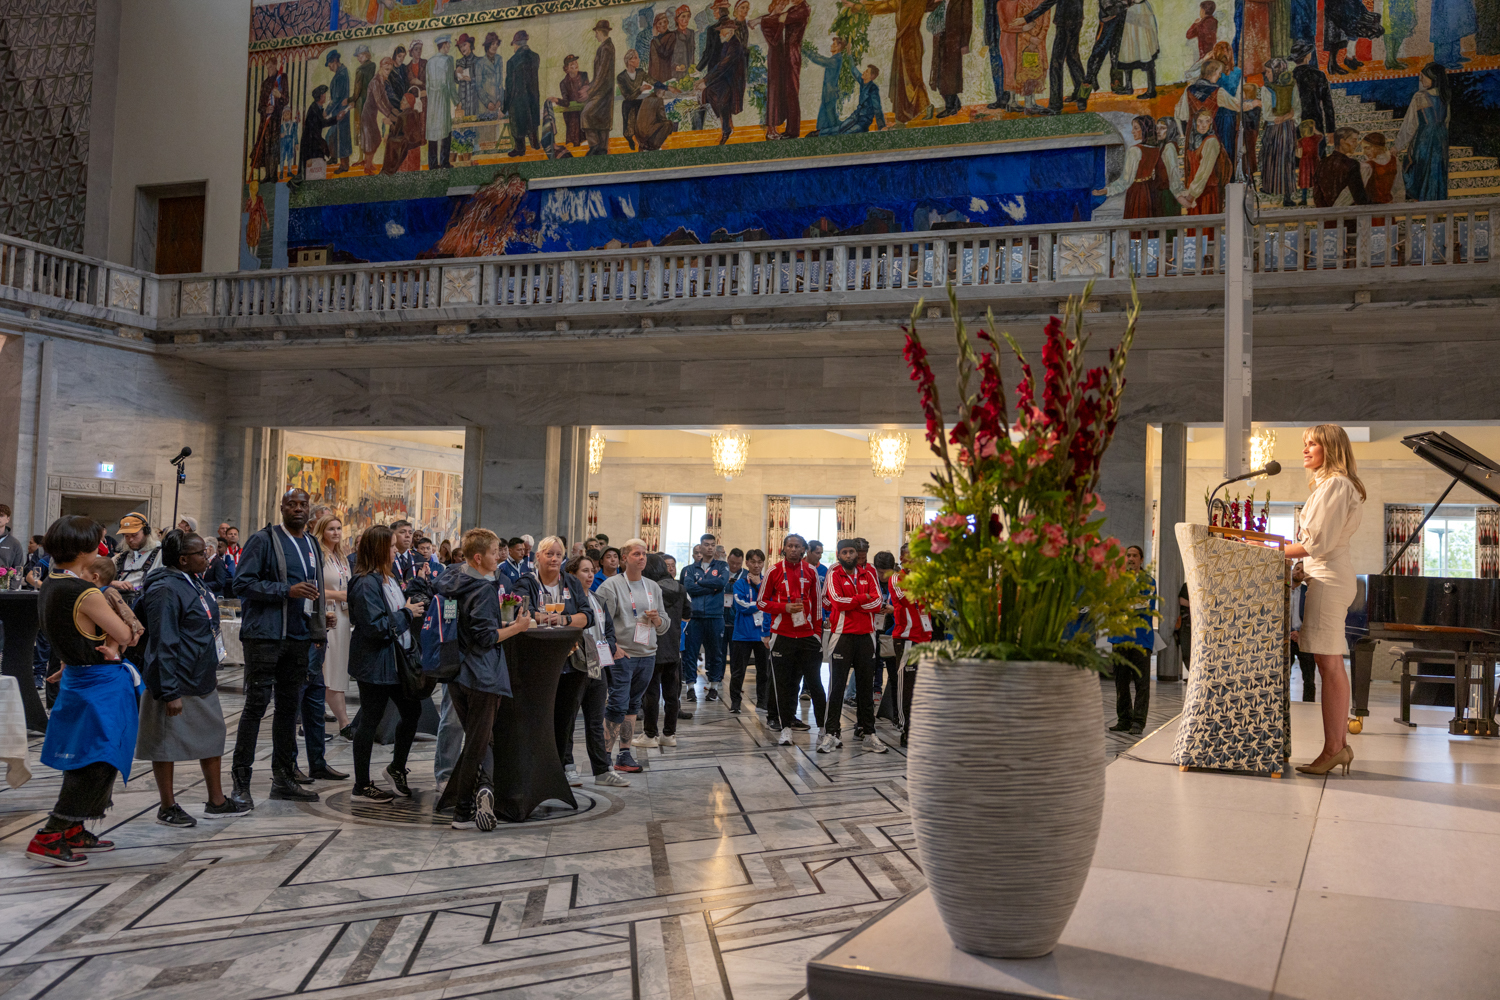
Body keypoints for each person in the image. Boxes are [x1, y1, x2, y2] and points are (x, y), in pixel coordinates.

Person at [24, 517, 139, 867]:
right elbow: (124, 634)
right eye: (98, 543)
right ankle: (50, 833)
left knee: (90, 756)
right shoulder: (85, 592)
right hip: (98, 685)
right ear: (85, 549)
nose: (102, 548)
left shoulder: (50, 583)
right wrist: (124, 623)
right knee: (97, 761)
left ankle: (74, 828)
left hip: (75, 676)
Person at [135, 530, 247, 828]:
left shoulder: (192, 580)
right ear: (183, 560)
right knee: (165, 741)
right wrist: (170, 691)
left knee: (213, 736)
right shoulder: (165, 589)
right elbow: (163, 641)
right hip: (174, 679)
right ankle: (167, 806)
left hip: (200, 675)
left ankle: (217, 801)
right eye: (201, 553)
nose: (208, 556)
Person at [230, 488, 327, 807]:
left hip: (298, 638)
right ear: (282, 507)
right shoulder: (264, 539)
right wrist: (287, 590)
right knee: (256, 706)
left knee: (289, 710)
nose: (299, 509)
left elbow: (317, 589)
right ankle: (240, 781)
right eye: (292, 504)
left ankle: (283, 778)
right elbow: (241, 584)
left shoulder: (312, 543)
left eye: (303, 504)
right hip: (265, 637)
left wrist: (319, 628)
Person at [1283, 424, 1366, 776]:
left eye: (1312, 444)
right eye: (1305, 444)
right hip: (1327, 575)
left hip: (1330, 580)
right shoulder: (1334, 485)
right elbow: (1321, 545)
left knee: (1329, 664)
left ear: (1330, 448)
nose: (1305, 450)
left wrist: (1267, 550)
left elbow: (1315, 544)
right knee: (1328, 662)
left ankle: (1334, 748)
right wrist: (1299, 567)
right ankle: (1337, 747)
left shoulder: (1335, 484)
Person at [436, 528, 533, 827]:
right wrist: (517, 627)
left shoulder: (450, 579)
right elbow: (485, 636)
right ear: (479, 557)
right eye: (494, 552)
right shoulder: (483, 589)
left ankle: (486, 789)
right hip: (483, 675)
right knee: (477, 745)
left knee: (482, 738)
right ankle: (462, 810)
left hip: (456, 672)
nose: (499, 557)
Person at [348, 525, 428, 802]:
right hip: (375, 662)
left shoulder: (388, 578)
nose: (396, 551)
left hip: (395, 660)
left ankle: (396, 768)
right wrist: (407, 613)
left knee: (412, 711)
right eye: (392, 547)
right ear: (380, 549)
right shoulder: (365, 582)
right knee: (370, 721)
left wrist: (411, 606)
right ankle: (361, 785)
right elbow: (375, 626)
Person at [597, 539, 671, 772]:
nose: (642, 558)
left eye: (644, 554)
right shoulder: (611, 586)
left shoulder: (653, 587)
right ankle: (604, 755)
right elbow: (600, 622)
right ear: (624, 558)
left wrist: (658, 620)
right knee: (617, 704)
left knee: (632, 706)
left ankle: (624, 754)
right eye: (636, 554)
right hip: (623, 654)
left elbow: (664, 623)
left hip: (647, 653)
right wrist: (613, 647)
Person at [558, 555, 623, 786]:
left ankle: (602, 769)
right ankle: (567, 766)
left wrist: (611, 646)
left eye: (592, 571)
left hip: (598, 665)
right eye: (584, 571)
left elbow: (608, 631)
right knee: (567, 720)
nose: (590, 575)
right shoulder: (567, 602)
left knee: (596, 721)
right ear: (572, 575)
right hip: (575, 666)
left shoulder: (598, 599)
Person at [818, 540, 886, 753]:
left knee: (866, 687)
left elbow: (877, 603)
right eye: (845, 552)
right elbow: (837, 601)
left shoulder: (869, 574)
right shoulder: (834, 573)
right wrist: (862, 598)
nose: (849, 555)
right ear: (838, 554)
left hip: (866, 636)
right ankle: (832, 733)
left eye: (852, 552)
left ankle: (869, 733)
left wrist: (855, 601)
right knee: (837, 687)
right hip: (842, 636)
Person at [758, 533, 825, 746]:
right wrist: (784, 608)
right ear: (784, 548)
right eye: (790, 546)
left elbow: (817, 606)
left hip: (808, 636)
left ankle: (824, 729)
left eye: (797, 546)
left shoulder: (812, 571)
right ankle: (785, 728)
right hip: (783, 635)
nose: (794, 549)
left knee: (815, 684)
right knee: (784, 686)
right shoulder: (774, 571)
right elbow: (761, 602)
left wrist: (817, 633)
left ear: (804, 549)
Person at [847, 0, 935, 123]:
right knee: (904, 81)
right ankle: (908, 115)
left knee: (912, 79)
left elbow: (884, 6)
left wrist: (858, 6)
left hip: (908, 43)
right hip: (906, 42)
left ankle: (925, 108)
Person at [313, 513, 354, 741]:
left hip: (343, 617)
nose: (336, 533)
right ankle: (343, 722)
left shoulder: (341, 556)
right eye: (331, 529)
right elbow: (312, 587)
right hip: (326, 614)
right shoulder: (319, 555)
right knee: (326, 671)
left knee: (337, 669)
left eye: (339, 528)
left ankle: (341, 721)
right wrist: (339, 594)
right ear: (322, 530)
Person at [1107, 545, 1155, 736]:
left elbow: (1141, 605)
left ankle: (1138, 721)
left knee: (1142, 684)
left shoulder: (1149, 581)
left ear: (1141, 560)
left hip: (1141, 640)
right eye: (1128, 555)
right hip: (1119, 639)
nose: (1131, 558)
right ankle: (1124, 719)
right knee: (1121, 683)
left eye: (1134, 555)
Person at [643, 552, 688, 741]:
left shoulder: (649, 589)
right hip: (673, 646)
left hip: (653, 645)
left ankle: (650, 735)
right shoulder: (680, 587)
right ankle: (669, 735)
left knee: (651, 694)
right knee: (672, 694)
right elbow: (688, 613)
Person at [1016, 0, 1085, 115]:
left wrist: (1027, 18)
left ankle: (1055, 105)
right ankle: (1082, 97)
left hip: (1064, 21)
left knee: (1056, 63)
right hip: (1077, 19)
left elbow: (1048, 3)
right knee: (1073, 58)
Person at [1394, 63, 1450, 204]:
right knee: (1436, 170)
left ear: (1434, 78)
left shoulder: (1420, 97)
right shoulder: (1445, 97)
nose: (1421, 80)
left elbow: (1410, 124)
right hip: (1441, 138)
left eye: (1423, 77)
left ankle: (1420, 203)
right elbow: (1446, 120)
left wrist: (1397, 146)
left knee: (1418, 168)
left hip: (1425, 138)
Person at [681, 536, 729, 701]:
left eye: (712, 545)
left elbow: (722, 582)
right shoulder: (689, 569)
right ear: (699, 547)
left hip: (715, 616)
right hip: (694, 617)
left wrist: (700, 583)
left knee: (715, 653)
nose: (709, 548)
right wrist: (711, 587)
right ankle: (690, 688)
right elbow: (688, 587)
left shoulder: (722, 565)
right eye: (706, 545)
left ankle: (714, 687)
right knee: (690, 653)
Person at [729, 548, 770, 714]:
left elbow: (771, 602)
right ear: (747, 563)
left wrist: (759, 586)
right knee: (738, 671)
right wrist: (761, 604)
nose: (756, 565)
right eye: (753, 562)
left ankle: (762, 703)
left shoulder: (766, 582)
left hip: (762, 634)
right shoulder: (739, 583)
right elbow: (740, 605)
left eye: (760, 562)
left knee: (764, 672)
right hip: (743, 634)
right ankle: (735, 703)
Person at [698, 18, 744, 144]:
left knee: (721, 95)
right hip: (726, 78)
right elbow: (719, 65)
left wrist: (706, 81)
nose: (719, 34)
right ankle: (727, 123)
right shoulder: (727, 43)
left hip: (733, 81)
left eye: (721, 32)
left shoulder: (734, 45)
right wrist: (704, 79)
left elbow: (723, 66)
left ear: (729, 32)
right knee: (710, 91)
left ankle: (726, 130)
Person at [929, 0, 972, 118]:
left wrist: (965, 43)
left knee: (951, 74)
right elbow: (926, 7)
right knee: (938, 73)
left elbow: (967, 20)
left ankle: (950, 107)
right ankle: (955, 103)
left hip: (954, 40)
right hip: (939, 38)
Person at [504, 30, 543, 156]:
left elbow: (509, 86)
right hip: (533, 97)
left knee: (517, 125)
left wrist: (504, 107)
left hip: (518, 100)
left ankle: (520, 149)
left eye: (514, 45)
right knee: (532, 122)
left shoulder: (512, 61)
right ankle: (535, 144)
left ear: (516, 44)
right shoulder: (535, 57)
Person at [1313, 127, 1370, 207]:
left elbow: (1317, 196)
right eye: (1353, 141)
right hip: (1348, 216)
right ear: (1342, 142)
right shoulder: (1352, 164)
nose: (1356, 144)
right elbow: (1360, 198)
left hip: (1327, 216)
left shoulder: (1321, 163)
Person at [583, 21, 617, 156]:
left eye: (596, 33)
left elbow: (602, 74)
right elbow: (599, 74)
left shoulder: (606, 48)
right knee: (601, 120)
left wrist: (590, 91)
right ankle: (601, 149)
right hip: (603, 90)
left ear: (600, 32)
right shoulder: (605, 47)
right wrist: (589, 86)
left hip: (603, 91)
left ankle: (595, 146)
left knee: (586, 114)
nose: (595, 36)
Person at [299, 85, 348, 178]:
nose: (325, 96)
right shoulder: (314, 109)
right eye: (324, 94)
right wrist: (309, 157)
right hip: (311, 145)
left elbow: (321, 123)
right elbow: (311, 132)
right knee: (310, 174)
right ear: (320, 96)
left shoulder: (317, 107)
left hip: (314, 142)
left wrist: (336, 118)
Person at [425, 34, 458, 167]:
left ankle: (432, 164)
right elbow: (450, 83)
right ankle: (444, 162)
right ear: (443, 45)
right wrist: (456, 100)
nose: (449, 46)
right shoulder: (448, 60)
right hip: (443, 97)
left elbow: (427, 84)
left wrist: (431, 97)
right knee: (445, 129)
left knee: (433, 130)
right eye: (448, 44)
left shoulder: (430, 61)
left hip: (432, 98)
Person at [1117, 0, 1159, 98]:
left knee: (1145, 49)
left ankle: (1151, 90)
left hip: (1141, 12)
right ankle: (1128, 87)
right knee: (1127, 50)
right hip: (1129, 13)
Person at [804, 37, 846, 135]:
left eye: (834, 44)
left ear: (839, 47)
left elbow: (820, 60)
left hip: (830, 95)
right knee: (823, 121)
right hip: (827, 94)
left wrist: (806, 51)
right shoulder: (835, 59)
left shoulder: (836, 60)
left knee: (832, 122)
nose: (831, 45)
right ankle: (820, 133)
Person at [111, 512, 161, 591]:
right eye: (126, 536)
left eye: (134, 535)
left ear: (146, 532)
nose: (130, 540)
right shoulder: (118, 559)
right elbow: (97, 580)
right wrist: (113, 583)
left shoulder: (161, 555)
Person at [830, 65, 886, 133]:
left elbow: (877, 108)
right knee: (840, 129)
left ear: (871, 76)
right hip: (855, 116)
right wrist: (849, 55)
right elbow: (854, 71)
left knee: (848, 133)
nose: (864, 72)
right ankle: (817, 133)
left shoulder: (873, 89)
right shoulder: (863, 82)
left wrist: (882, 126)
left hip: (863, 121)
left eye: (867, 72)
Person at [1289, 563, 1316, 702]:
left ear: (1305, 576)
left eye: (1302, 571)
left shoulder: (1308, 592)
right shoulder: (1283, 590)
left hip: (1304, 638)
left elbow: (1313, 616)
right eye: (1297, 569)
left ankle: (1309, 704)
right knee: (1282, 674)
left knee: (1309, 677)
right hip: (1285, 639)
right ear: (1292, 569)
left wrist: (1300, 633)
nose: (1298, 572)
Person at [617, 48, 654, 150]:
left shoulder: (641, 72)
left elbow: (652, 80)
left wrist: (664, 86)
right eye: (636, 58)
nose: (639, 60)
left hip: (640, 104)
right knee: (629, 130)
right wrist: (640, 89)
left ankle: (642, 145)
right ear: (629, 61)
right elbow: (627, 96)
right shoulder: (621, 77)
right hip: (629, 106)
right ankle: (630, 140)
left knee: (642, 128)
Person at [324, 50, 353, 174]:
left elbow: (337, 97)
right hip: (338, 111)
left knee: (342, 139)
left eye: (330, 64)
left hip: (341, 112)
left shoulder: (341, 75)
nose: (329, 67)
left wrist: (326, 111)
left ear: (335, 61)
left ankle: (344, 165)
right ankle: (334, 157)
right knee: (332, 135)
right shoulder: (340, 72)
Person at [635, 80, 680, 149]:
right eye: (663, 92)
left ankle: (647, 145)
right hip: (648, 134)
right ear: (659, 91)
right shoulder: (659, 100)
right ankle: (655, 146)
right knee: (668, 124)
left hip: (640, 136)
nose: (664, 94)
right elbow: (663, 118)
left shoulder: (646, 99)